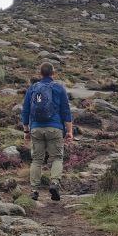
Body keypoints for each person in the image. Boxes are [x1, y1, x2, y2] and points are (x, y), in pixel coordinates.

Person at [20, 61, 73, 201]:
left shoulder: (33, 88)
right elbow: (66, 112)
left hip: (36, 128)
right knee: (57, 158)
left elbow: (25, 110)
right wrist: (69, 131)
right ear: (53, 73)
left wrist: (26, 131)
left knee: (36, 160)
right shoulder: (59, 88)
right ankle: (54, 183)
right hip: (55, 128)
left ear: (40, 74)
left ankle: (34, 190)